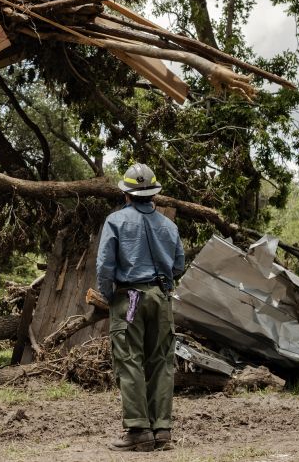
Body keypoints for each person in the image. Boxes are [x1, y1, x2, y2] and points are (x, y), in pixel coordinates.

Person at [96, 163, 185, 452]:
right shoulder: (169, 226)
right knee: (161, 362)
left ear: (126, 195)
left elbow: (105, 267)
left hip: (128, 298)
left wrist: (110, 297)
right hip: (161, 298)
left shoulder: (115, 221)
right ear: (153, 195)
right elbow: (179, 265)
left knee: (130, 361)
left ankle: (137, 430)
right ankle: (162, 431)